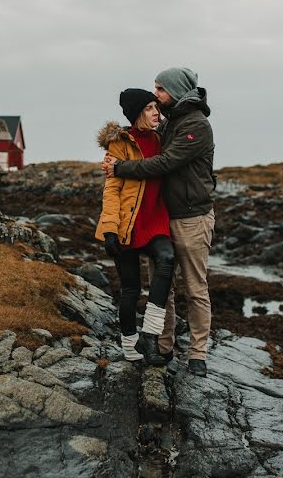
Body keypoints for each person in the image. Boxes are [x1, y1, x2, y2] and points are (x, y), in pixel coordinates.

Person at [103, 68, 216, 376]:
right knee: (161, 287)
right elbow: (137, 133)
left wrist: (122, 167)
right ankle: (163, 346)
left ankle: (198, 353)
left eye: (160, 90)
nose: (156, 96)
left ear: (176, 91)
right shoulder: (167, 123)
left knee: (195, 288)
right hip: (163, 219)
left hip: (193, 217)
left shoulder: (196, 125)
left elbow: (166, 163)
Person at [95, 88, 176, 365]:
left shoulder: (161, 139)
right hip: (127, 223)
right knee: (130, 289)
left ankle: (150, 336)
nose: (157, 113)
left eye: (157, 107)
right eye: (151, 108)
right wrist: (109, 230)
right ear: (137, 113)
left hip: (155, 219)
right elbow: (112, 189)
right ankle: (130, 346)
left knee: (167, 259)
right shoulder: (119, 144)